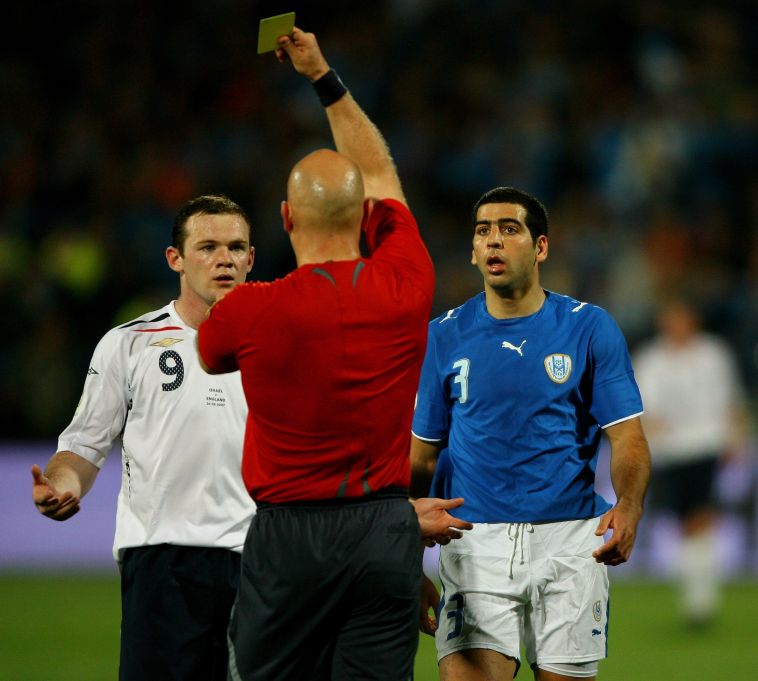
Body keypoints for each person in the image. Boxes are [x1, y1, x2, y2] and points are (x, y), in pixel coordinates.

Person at [197, 27, 471, 681]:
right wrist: (324, 76)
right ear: (364, 217)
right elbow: (378, 171)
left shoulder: (249, 311)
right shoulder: (408, 280)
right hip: (385, 529)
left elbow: (210, 354)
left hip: (287, 537)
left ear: (287, 219)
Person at [411, 186, 652, 681]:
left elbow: (627, 437)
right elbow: (422, 458)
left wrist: (628, 506)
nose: (494, 241)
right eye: (483, 232)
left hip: (570, 542)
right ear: (473, 251)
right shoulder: (444, 335)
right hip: (474, 539)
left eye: (509, 229)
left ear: (540, 247)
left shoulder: (589, 328)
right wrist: (401, 553)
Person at [31, 194, 256, 681]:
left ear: (251, 259)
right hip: (161, 560)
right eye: (208, 246)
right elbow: (84, 447)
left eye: (237, 247)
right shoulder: (129, 343)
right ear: (175, 259)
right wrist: (62, 482)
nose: (224, 259)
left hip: (259, 560)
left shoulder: (279, 348)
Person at [634, 297, 749, 628]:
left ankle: (701, 600)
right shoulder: (652, 359)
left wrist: (735, 437)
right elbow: (644, 409)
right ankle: (698, 594)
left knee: (701, 517)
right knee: (683, 523)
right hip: (671, 451)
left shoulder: (712, 354)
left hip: (705, 445)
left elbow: (730, 399)